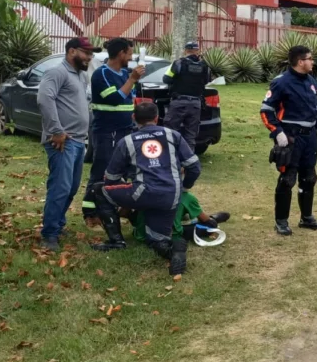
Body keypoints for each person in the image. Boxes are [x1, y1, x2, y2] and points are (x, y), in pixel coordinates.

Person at [86, 102, 201, 275]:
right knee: (156, 239)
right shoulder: (173, 135)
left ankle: (117, 241)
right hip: (171, 196)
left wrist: (122, 195)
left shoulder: (127, 141)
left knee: (98, 190)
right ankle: (173, 251)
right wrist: (184, 188)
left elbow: (111, 177)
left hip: (143, 193)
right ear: (157, 118)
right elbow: (194, 167)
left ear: (133, 118)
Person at [37, 37, 101, 252]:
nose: (89, 57)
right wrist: (56, 131)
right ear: (72, 51)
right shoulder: (57, 73)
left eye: (91, 53)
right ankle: (49, 234)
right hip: (62, 142)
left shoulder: (80, 75)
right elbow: (44, 99)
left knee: (71, 188)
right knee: (60, 188)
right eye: (86, 53)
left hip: (78, 141)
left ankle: (57, 224)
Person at [259, 45, 317, 236]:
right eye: (310, 58)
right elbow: (266, 111)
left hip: (310, 137)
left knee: (309, 177)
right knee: (288, 179)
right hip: (290, 138)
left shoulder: (311, 81)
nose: (312, 62)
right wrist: (277, 132)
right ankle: (281, 221)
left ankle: (306, 218)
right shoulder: (281, 82)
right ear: (300, 62)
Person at [82, 38, 145, 224]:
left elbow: (129, 99)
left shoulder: (124, 73)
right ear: (120, 54)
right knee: (101, 170)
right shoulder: (101, 74)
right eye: (129, 53)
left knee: (127, 170)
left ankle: (120, 208)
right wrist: (132, 79)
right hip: (107, 131)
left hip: (126, 129)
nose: (131, 57)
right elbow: (115, 99)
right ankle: (90, 212)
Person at [124, 191, 230, 244]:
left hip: (141, 234)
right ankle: (214, 218)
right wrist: (210, 220)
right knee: (210, 224)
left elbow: (123, 212)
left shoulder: (142, 190)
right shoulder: (185, 196)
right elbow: (205, 220)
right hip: (169, 236)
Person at [162, 41, 211, 150]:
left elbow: (166, 79)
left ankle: (172, 156)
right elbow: (206, 81)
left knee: (171, 132)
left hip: (179, 102)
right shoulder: (204, 66)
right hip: (196, 104)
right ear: (197, 50)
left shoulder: (178, 63)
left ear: (185, 51)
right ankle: (189, 158)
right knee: (191, 135)